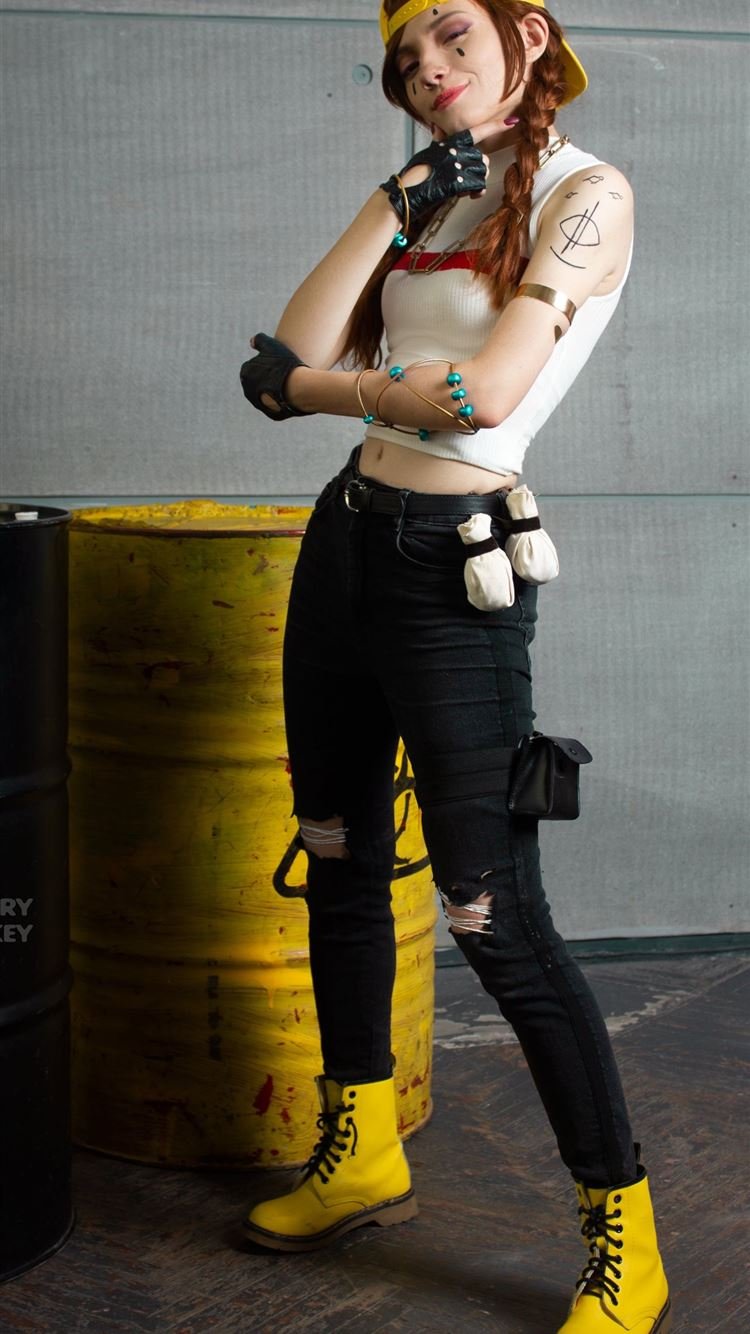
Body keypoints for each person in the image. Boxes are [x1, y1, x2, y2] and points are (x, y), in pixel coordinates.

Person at [238, 2, 671, 1329]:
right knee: (339, 853)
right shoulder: (430, 197)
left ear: (526, 34)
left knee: (493, 915)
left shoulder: (588, 195)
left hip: (458, 569)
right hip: (346, 543)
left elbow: (478, 396)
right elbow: (289, 352)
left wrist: (311, 392)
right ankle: (361, 1145)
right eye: (405, 58)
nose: (426, 70)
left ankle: (624, 1229)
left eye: (451, 38)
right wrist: (394, 198)